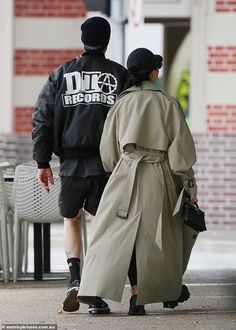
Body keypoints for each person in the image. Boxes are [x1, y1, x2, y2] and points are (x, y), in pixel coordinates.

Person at [77, 47, 199, 315]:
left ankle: (96, 290)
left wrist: (121, 166)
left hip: (125, 174)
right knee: (156, 238)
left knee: (113, 235)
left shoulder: (121, 103)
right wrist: (190, 187)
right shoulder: (168, 103)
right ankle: (143, 295)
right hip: (159, 175)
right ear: (153, 72)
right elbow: (181, 156)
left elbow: (107, 154)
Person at [32, 16, 129, 315]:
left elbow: (42, 119)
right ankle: (95, 290)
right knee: (102, 224)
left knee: (72, 219)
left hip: (71, 162)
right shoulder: (119, 75)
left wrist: (42, 161)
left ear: (83, 39)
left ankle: (74, 279)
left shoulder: (61, 74)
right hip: (107, 163)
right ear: (107, 41)